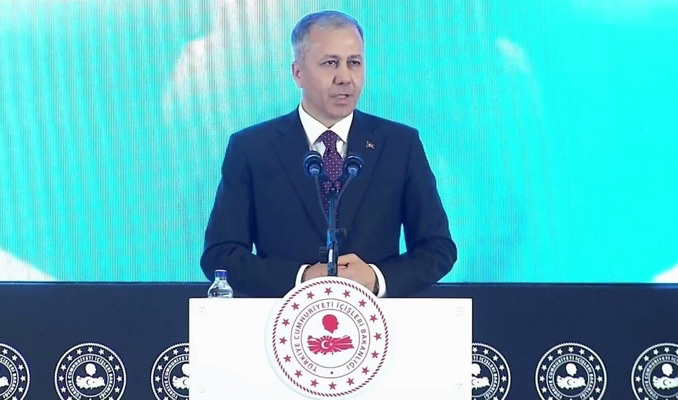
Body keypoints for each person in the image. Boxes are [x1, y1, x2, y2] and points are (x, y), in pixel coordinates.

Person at [200, 10, 456, 297]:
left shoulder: (399, 145)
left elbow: (438, 249)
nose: (345, 77)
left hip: (376, 319)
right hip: (282, 318)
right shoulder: (252, 148)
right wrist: (302, 278)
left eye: (354, 63)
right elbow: (220, 255)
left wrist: (376, 278)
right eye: (330, 63)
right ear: (298, 73)